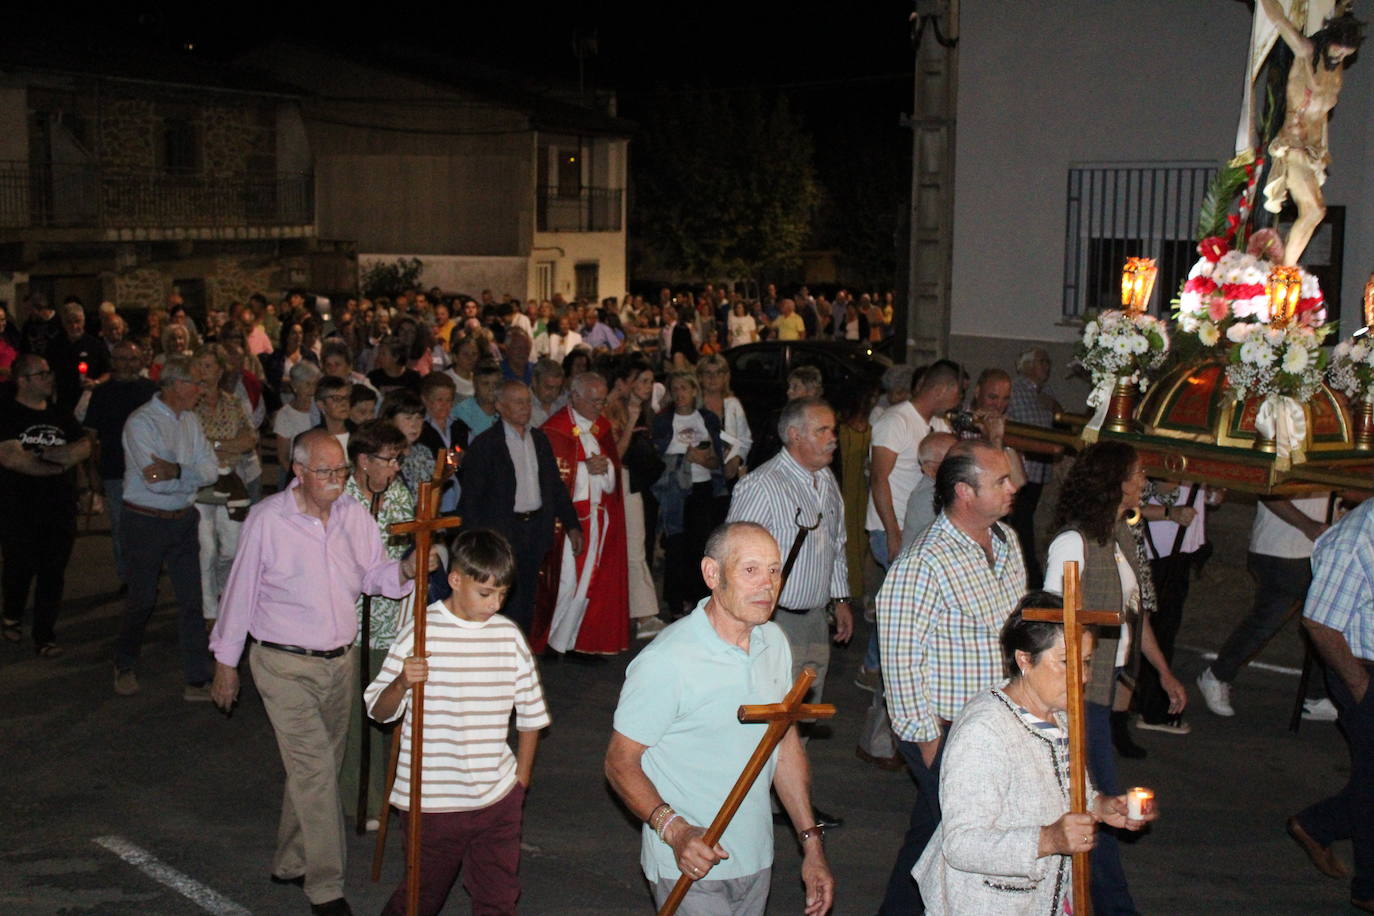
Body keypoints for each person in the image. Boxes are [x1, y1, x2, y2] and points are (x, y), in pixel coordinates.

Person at [208, 430, 429, 916]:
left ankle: (290, 860)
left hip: (339, 662)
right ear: (299, 472)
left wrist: (407, 571)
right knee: (315, 772)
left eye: (341, 471)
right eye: (325, 472)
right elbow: (239, 591)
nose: (336, 481)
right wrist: (225, 663)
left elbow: (374, 577)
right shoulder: (269, 520)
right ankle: (325, 888)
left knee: (315, 772)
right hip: (282, 663)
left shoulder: (354, 516)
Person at [604, 522, 836, 916]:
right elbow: (619, 761)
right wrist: (675, 831)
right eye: (751, 570)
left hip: (756, 856)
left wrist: (811, 843)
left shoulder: (774, 642)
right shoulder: (668, 661)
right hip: (689, 863)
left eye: (775, 570)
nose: (767, 584)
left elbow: (784, 747)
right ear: (712, 574)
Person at [914, 594, 1157, 915]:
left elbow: (1070, 792)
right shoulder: (984, 731)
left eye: (1085, 662)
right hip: (989, 904)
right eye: (1066, 663)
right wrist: (1049, 840)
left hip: (1048, 901)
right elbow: (961, 844)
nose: (1082, 677)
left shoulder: (1060, 712)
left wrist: (1101, 806)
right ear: (1025, 660)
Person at [366, 529, 550, 916]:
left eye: (502, 594)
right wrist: (402, 682)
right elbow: (378, 712)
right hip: (431, 803)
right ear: (455, 579)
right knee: (421, 897)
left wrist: (521, 782)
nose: (495, 604)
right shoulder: (420, 631)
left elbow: (531, 716)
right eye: (486, 593)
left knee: (498, 898)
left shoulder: (507, 636)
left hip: (497, 798)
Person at [876, 439, 1025, 915]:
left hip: (996, 725)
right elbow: (900, 664)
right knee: (952, 835)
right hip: (945, 729)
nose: (1012, 487)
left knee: (936, 835)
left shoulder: (1007, 542)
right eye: (1000, 480)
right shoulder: (924, 562)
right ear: (964, 492)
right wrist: (927, 747)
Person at [1045, 440, 1187, 914]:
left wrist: (1164, 673)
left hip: (1103, 690)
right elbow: (1051, 621)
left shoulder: (1123, 534)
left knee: (1093, 801)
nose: (1144, 479)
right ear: (1114, 480)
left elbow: (1132, 615)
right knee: (1100, 801)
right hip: (1077, 694)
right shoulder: (1074, 541)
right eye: (1137, 472)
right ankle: (1114, 905)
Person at [727, 397, 854, 707]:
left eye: (833, 430)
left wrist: (840, 600)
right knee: (771, 711)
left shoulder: (826, 481)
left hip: (815, 618)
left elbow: (836, 545)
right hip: (773, 620)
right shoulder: (762, 485)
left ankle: (796, 757)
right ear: (795, 435)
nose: (833, 438)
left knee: (805, 709)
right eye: (823, 430)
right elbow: (734, 557)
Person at [114, 354, 219, 697]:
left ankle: (197, 678)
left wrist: (176, 472)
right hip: (145, 520)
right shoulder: (141, 423)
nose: (202, 390)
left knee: (191, 600)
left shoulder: (190, 420)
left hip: (182, 520)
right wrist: (185, 476)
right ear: (176, 384)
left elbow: (211, 471)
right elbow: (154, 483)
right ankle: (124, 662)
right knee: (142, 599)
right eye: (196, 383)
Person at [1293, 497, 1374, 910]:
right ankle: (1369, 888)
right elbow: (1319, 623)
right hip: (1361, 667)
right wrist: (1360, 685)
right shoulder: (1357, 540)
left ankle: (1317, 825)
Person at [338, 420, 415, 833]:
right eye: (389, 460)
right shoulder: (341, 499)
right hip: (349, 623)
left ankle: (388, 798)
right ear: (364, 461)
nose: (396, 468)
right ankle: (359, 800)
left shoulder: (400, 496)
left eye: (399, 459)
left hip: (391, 623)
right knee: (354, 720)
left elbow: (405, 547)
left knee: (388, 710)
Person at [460, 381, 582, 635]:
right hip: (502, 531)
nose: (525, 407)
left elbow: (555, 487)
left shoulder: (539, 440)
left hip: (535, 528)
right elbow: (472, 498)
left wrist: (572, 524)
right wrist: (477, 542)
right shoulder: (486, 445)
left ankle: (520, 651)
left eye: (527, 401)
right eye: (517, 402)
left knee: (527, 595)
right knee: (500, 596)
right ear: (500, 407)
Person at [1197, 494, 1335, 718]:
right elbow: (1268, 492)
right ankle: (1217, 674)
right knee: (1268, 620)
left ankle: (1314, 695)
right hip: (1279, 548)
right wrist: (1307, 524)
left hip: (1314, 548)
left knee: (1325, 621)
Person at [1258, 0, 1366, 266]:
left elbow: (1340, 13)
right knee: (1314, 211)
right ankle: (1286, 272)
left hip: (1312, 150)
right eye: (1338, 52)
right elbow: (1279, 18)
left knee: (1315, 211)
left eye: (1345, 57)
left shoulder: (1335, 67)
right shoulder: (1305, 51)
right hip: (1293, 146)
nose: (1339, 59)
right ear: (1328, 40)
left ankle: (1286, 271)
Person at [532, 371, 630, 656]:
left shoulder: (601, 426)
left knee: (588, 580)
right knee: (565, 580)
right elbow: (551, 478)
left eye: (602, 401)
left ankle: (569, 639)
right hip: (568, 518)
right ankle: (549, 637)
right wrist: (585, 469)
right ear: (575, 396)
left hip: (598, 516)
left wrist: (606, 468)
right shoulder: (555, 429)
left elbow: (612, 472)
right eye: (594, 401)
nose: (600, 407)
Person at [0, 354, 91, 656]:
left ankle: (44, 635)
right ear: (23, 380)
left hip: (59, 507)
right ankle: (11, 613)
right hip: (19, 507)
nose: (50, 378)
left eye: (49, 372)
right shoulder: (8, 414)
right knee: (20, 567)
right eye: (43, 373)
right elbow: (13, 458)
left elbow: (84, 445)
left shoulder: (59, 414)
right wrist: (57, 462)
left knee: (53, 571)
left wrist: (57, 458)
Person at [867, 360, 960, 572]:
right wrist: (892, 533)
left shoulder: (940, 424)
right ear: (940, 390)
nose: (957, 402)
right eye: (956, 394)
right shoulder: (895, 421)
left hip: (920, 525)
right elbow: (878, 478)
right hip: (893, 526)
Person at [189, 344, 256, 625]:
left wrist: (217, 445)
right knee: (206, 548)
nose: (203, 372)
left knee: (230, 547)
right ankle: (209, 612)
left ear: (219, 371)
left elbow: (249, 439)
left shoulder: (232, 403)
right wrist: (224, 446)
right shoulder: (189, 405)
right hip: (198, 485)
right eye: (199, 366)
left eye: (208, 366)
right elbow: (193, 446)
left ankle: (222, 590)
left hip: (229, 481)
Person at [82, 341, 157, 591]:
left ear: (141, 361)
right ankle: (128, 577)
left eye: (131, 359)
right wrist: (92, 471)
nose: (126, 364)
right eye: (121, 359)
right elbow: (91, 436)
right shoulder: (101, 393)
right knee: (121, 527)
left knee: (149, 527)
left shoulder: (151, 391)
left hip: (149, 470)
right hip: (115, 469)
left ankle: (147, 575)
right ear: (113, 362)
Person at [653, 370, 727, 619]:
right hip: (675, 490)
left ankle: (698, 599)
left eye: (684, 388)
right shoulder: (664, 421)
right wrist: (681, 459)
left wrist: (703, 460)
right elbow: (656, 459)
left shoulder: (706, 419)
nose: (680, 394)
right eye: (675, 389)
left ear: (694, 390)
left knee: (700, 545)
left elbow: (717, 460)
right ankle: (675, 602)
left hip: (703, 487)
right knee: (675, 544)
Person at [605, 356, 667, 640]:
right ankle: (644, 616)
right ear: (624, 383)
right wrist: (630, 420)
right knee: (633, 546)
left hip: (638, 483)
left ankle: (638, 612)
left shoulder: (644, 409)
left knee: (636, 545)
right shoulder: (612, 411)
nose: (647, 386)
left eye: (649, 381)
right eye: (641, 380)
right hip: (621, 483)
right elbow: (616, 455)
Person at [1008, 347, 1062, 578]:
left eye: (1048, 361)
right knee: (1020, 523)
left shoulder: (1045, 390)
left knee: (1028, 519)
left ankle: (1031, 568)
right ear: (1027, 364)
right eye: (1042, 361)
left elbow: (1058, 419)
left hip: (1040, 470)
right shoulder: (1015, 389)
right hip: (1022, 468)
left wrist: (1052, 406)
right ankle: (1030, 571)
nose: (1047, 366)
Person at [697, 354, 752, 482]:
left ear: (726, 377)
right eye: (708, 373)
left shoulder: (733, 404)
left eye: (718, 373)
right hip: (700, 471)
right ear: (700, 377)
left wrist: (736, 458)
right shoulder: (694, 404)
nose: (713, 377)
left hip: (729, 471)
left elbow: (745, 439)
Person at [50, 301, 111, 413]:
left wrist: (96, 382)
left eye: (77, 321)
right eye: (69, 322)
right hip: (63, 400)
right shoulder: (55, 345)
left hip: (90, 399)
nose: (74, 326)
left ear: (84, 321)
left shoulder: (96, 345)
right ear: (63, 323)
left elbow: (108, 372)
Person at [273, 361, 321, 486]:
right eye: (307, 384)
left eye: (315, 384)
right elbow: (283, 457)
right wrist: (302, 478)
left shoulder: (321, 408)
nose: (312, 389)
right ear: (295, 386)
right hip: (295, 474)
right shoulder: (285, 415)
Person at [450, 358, 502, 440]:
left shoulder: (505, 410)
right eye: (485, 384)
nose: (491, 388)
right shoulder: (462, 413)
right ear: (475, 384)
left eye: (496, 384)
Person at [529, 357, 566, 427]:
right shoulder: (522, 404)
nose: (554, 393)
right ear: (534, 382)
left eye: (558, 388)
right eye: (549, 387)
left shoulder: (564, 402)